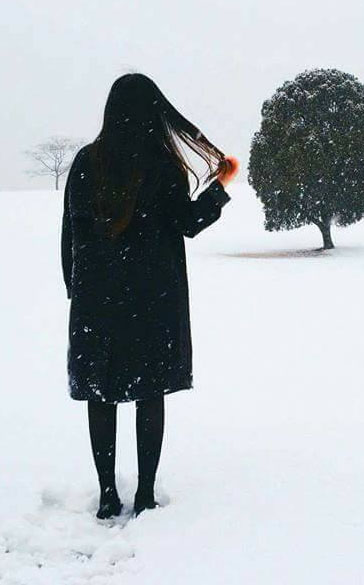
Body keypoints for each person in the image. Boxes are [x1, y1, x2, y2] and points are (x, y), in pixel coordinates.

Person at [61, 73, 239, 519]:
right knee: (149, 393)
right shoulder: (163, 165)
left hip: (97, 303)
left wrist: (76, 293)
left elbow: (70, 235)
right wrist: (220, 186)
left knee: (101, 396)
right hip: (152, 301)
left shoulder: (86, 162)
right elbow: (188, 223)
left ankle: (107, 494)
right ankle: (144, 495)